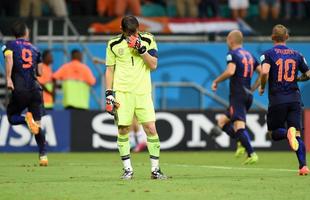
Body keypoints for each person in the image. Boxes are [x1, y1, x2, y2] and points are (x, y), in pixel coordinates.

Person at [105, 15, 167, 179]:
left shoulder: (148, 39)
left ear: (139, 29)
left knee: (151, 129)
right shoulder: (113, 44)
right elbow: (110, 70)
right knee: (123, 129)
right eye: (128, 33)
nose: (132, 36)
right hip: (122, 93)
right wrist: (109, 93)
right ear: (122, 31)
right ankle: (127, 170)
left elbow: (153, 65)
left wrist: (142, 50)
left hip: (143, 92)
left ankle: (155, 170)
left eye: (134, 32)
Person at [259, 24, 310, 175]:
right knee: (298, 134)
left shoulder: (267, 54)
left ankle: (288, 132)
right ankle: (303, 167)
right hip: (295, 99)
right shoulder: (297, 54)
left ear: (272, 37)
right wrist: (299, 79)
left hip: (277, 99)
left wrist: (262, 86)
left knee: (273, 133)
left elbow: (264, 73)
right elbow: (308, 74)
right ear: (287, 37)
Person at [2, 21, 48, 166]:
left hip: (20, 89)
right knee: (38, 125)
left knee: (12, 117)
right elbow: (40, 72)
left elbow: (9, 58)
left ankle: (26, 120)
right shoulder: (35, 49)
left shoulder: (9, 45)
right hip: (35, 90)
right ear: (26, 33)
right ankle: (43, 156)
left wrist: (9, 78)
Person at [211, 30, 261, 164]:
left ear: (231, 40)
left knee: (239, 126)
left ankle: (251, 153)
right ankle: (241, 142)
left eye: (227, 40)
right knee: (222, 122)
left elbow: (230, 71)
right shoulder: (250, 55)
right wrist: (254, 88)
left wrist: (216, 81)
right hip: (247, 95)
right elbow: (262, 72)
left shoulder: (232, 54)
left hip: (238, 95)